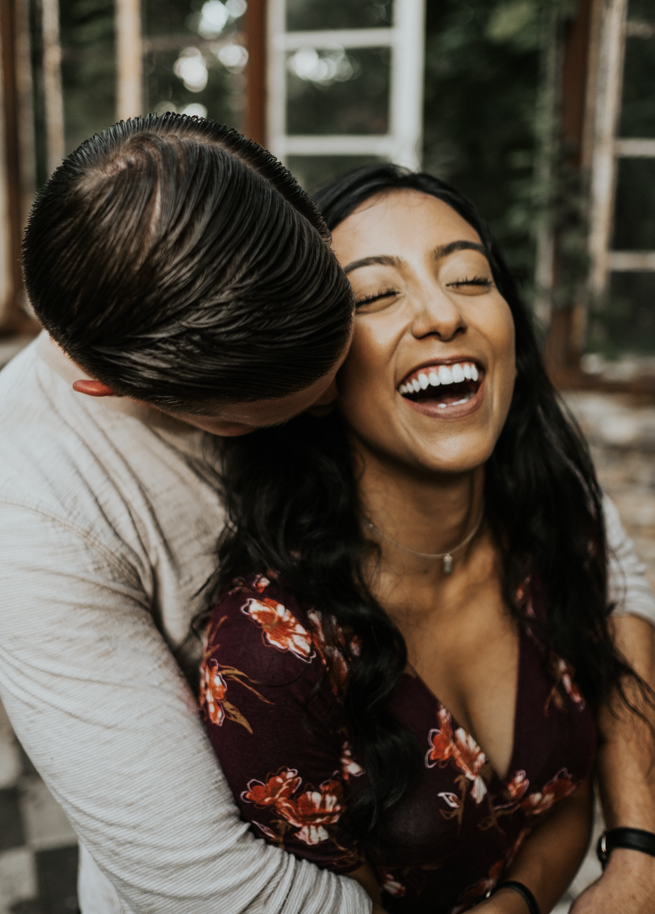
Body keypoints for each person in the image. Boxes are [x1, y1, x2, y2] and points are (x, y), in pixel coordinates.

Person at [0, 123, 651, 914]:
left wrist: (628, 853)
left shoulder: (242, 222)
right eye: (373, 295)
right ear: (116, 389)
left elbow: (607, 579)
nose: (331, 393)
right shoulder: (31, 518)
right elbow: (202, 883)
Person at [199, 165, 655, 914]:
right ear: (314, 377)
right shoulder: (271, 654)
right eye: (376, 295)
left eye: (470, 278)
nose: (443, 314)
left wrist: (521, 899)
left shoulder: (552, 523)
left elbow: (560, 792)